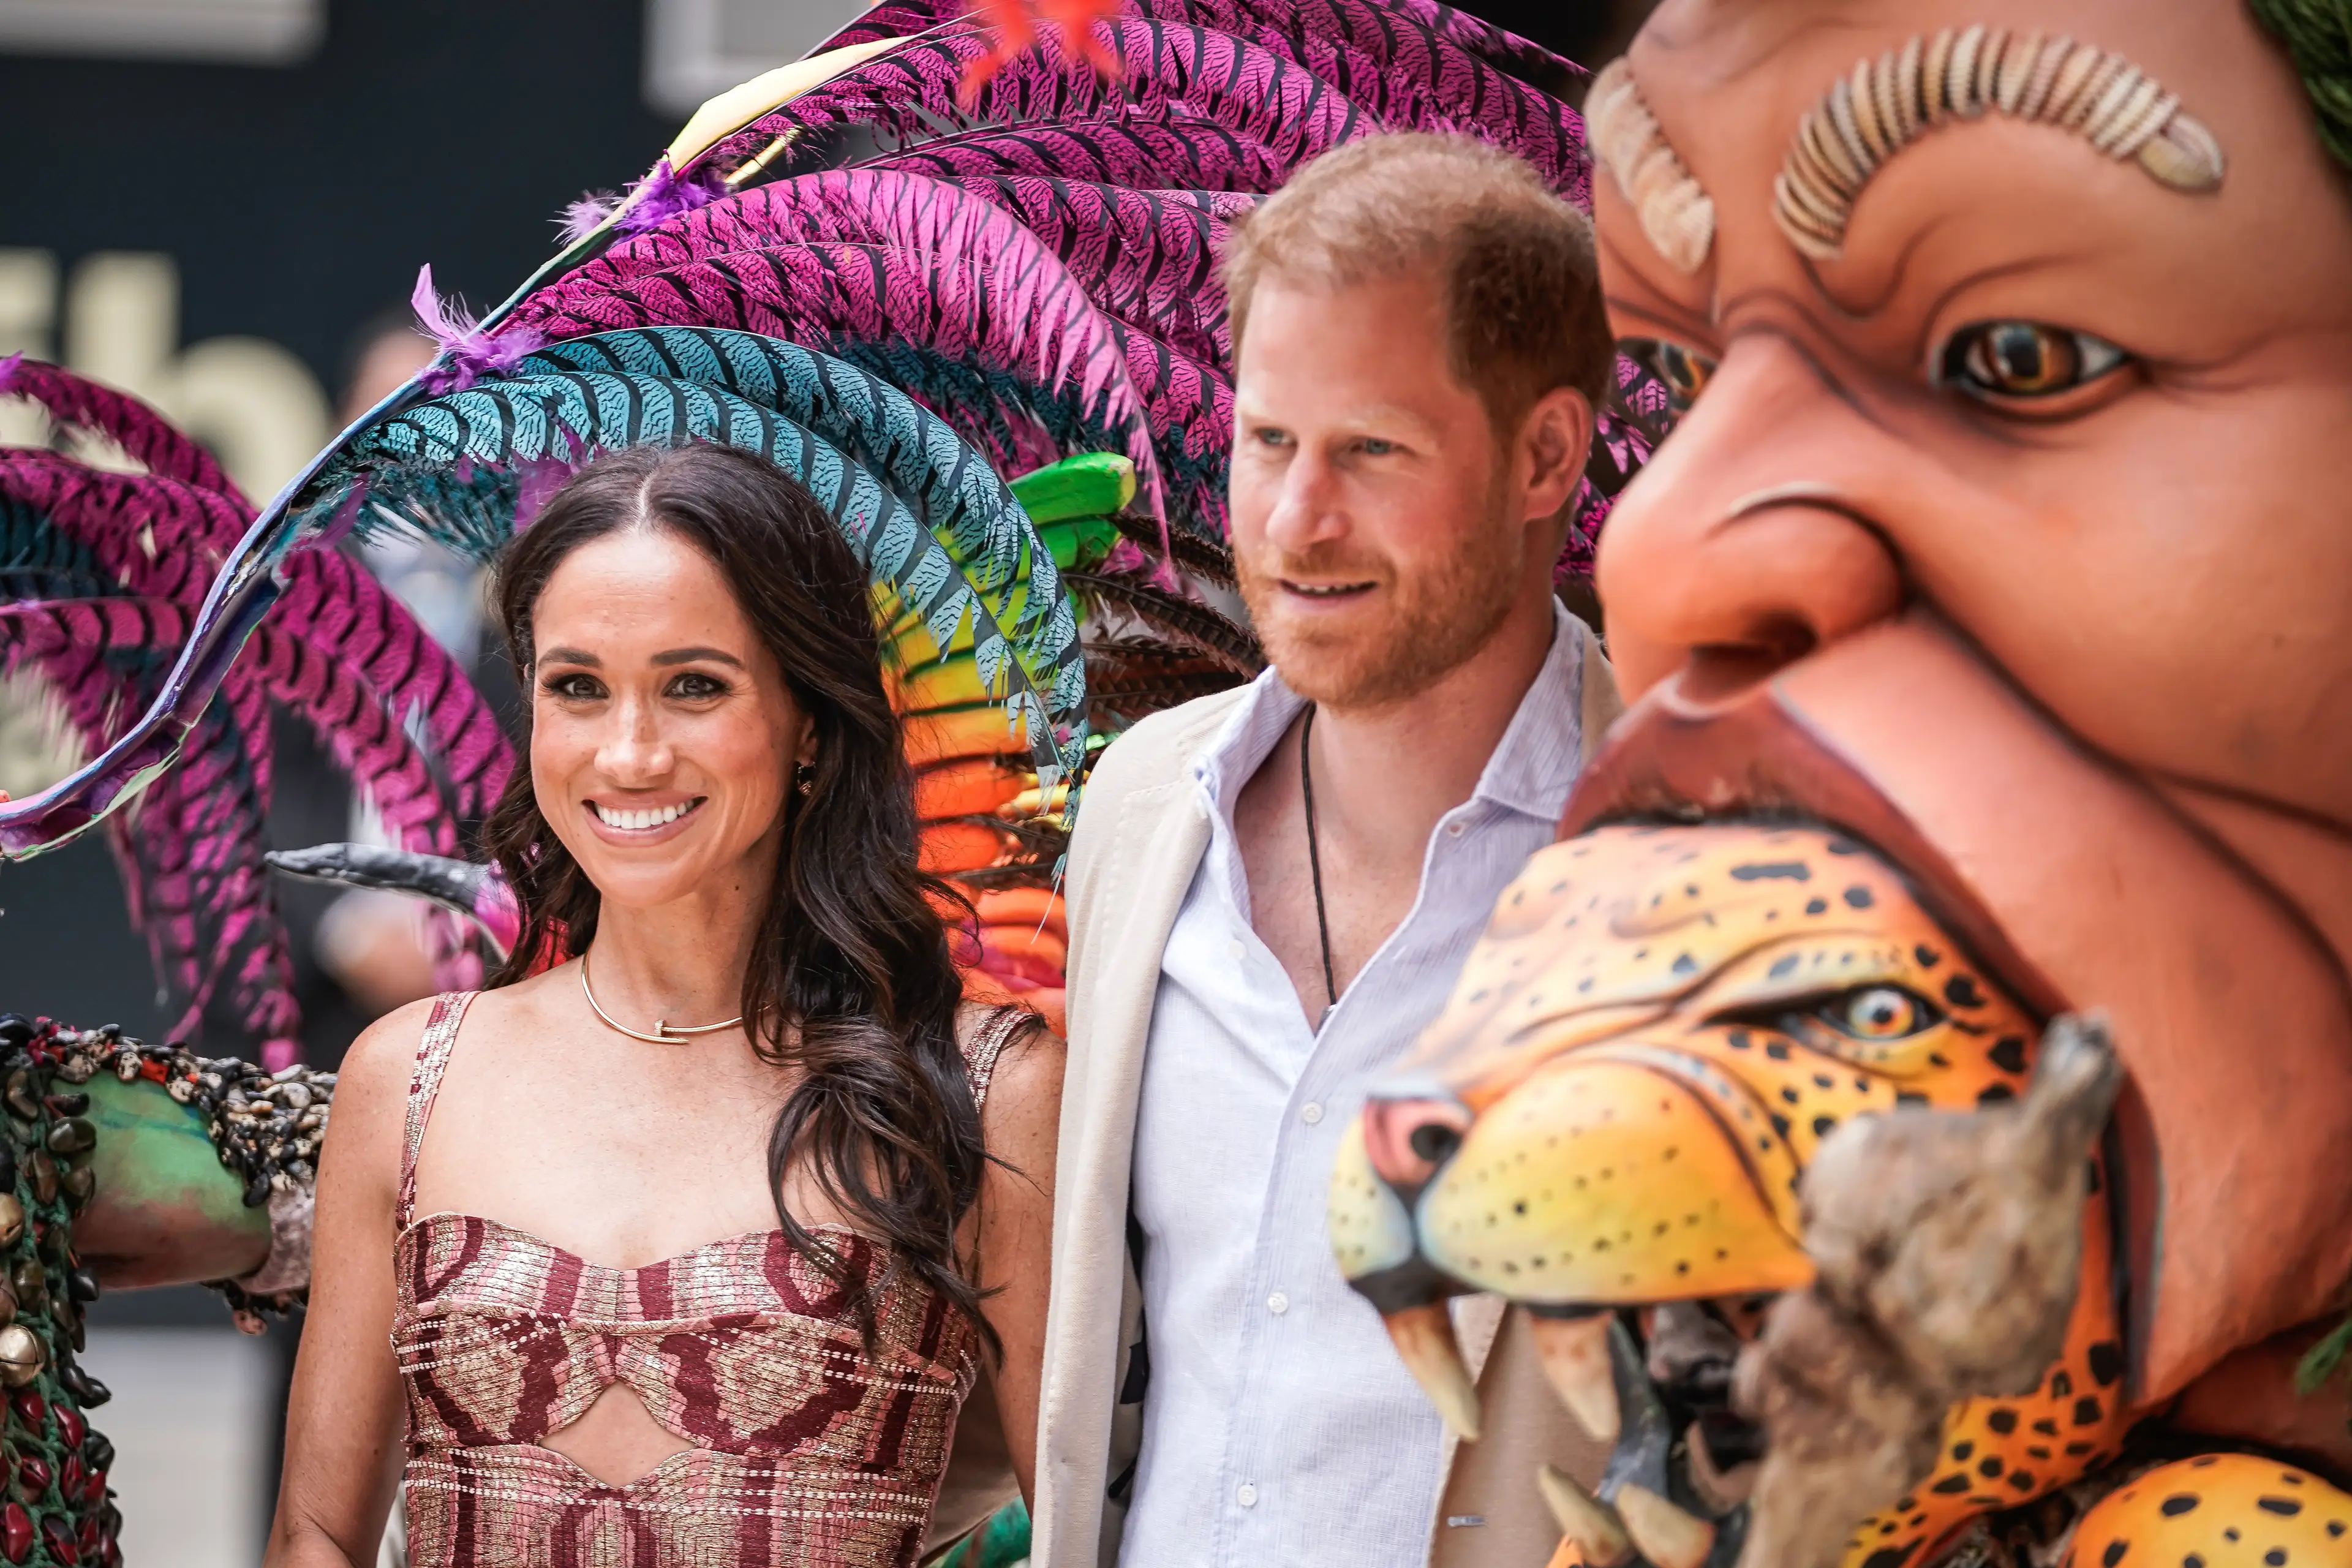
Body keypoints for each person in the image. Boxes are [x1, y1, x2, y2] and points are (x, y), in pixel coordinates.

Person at [263, 443, 1063, 1568]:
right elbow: (314, 1535)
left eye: (695, 686)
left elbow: (1094, 1536)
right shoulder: (408, 1078)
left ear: (814, 729)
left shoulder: (987, 1089)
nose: (629, 754)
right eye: (577, 688)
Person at [1033, 132, 1626, 1568]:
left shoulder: (1682, 847)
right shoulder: (1139, 803)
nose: (1297, 521)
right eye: (1267, 441)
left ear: (1545, 453)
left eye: (1371, 449)